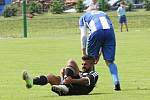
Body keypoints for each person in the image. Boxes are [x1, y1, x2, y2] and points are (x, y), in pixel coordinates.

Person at [79, 5, 121, 91]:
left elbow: (83, 36)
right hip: (110, 32)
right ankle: (116, 82)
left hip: (96, 32)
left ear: (87, 11)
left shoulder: (83, 17)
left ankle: (89, 84)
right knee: (109, 61)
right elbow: (105, 32)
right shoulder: (103, 13)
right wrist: (99, 54)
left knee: (90, 60)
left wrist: (83, 51)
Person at [22, 55, 99, 96]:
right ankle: (32, 81)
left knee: (71, 61)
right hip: (69, 87)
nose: (83, 65)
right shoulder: (80, 72)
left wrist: (71, 80)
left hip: (79, 89)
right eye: (82, 64)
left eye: (85, 64)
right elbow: (71, 75)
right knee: (51, 77)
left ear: (92, 64)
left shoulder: (93, 74)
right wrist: (64, 73)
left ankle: (64, 85)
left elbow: (85, 81)